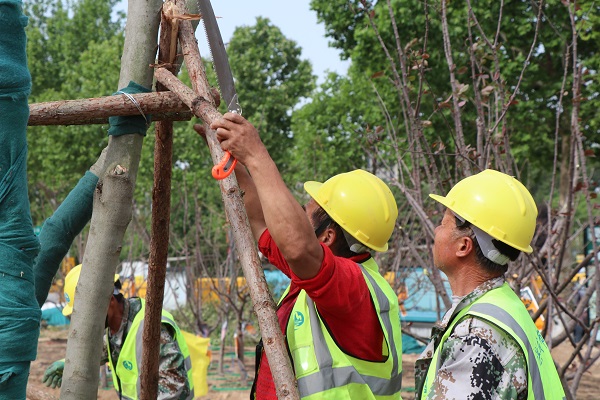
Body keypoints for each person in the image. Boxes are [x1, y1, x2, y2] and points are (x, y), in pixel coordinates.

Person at [195, 113, 403, 399]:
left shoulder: (352, 288)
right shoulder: (315, 278)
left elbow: (297, 246)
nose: (297, 220)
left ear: (327, 237)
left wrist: (257, 155)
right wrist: (229, 155)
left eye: (305, 214)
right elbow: (262, 224)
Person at [415, 169, 566, 399]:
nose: (436, 230)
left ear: (463, 246)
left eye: (443, 223)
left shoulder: (475, 336)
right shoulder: (505, 305)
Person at [43, 264, 195, 400]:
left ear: (108, 299)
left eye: (84, 314)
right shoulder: (115, 326)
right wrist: (69, 364)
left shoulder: (152, 329)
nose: (82, 322)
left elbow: (174, 390)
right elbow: (101, 350)